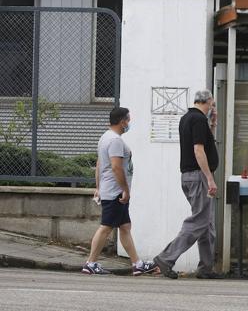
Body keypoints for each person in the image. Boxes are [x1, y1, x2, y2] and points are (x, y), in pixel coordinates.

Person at [82, 107, 158, 276]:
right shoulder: (115, 140)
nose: (129, 123)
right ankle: (90, 263)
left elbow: (100, 165)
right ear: (122, 121)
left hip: (110, 190)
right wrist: (125, 190)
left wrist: (98, 187)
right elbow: (116, 167)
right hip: (116, 192)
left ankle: (137, 264)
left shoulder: (105, 137)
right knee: (106, 227)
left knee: (125, 227)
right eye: (128, 120)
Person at [154, 90, 221, 279]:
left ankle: (206, 268)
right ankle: (166, 258)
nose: (213, 108)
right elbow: (199, 150)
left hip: (189, 176)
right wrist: (209, 178)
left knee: (206, 224)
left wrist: (212, 124)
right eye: (213, 104)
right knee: (199, 221)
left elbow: (205, 144)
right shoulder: (198, 120)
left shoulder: (188, 118)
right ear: (207, 101)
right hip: (198, 176)